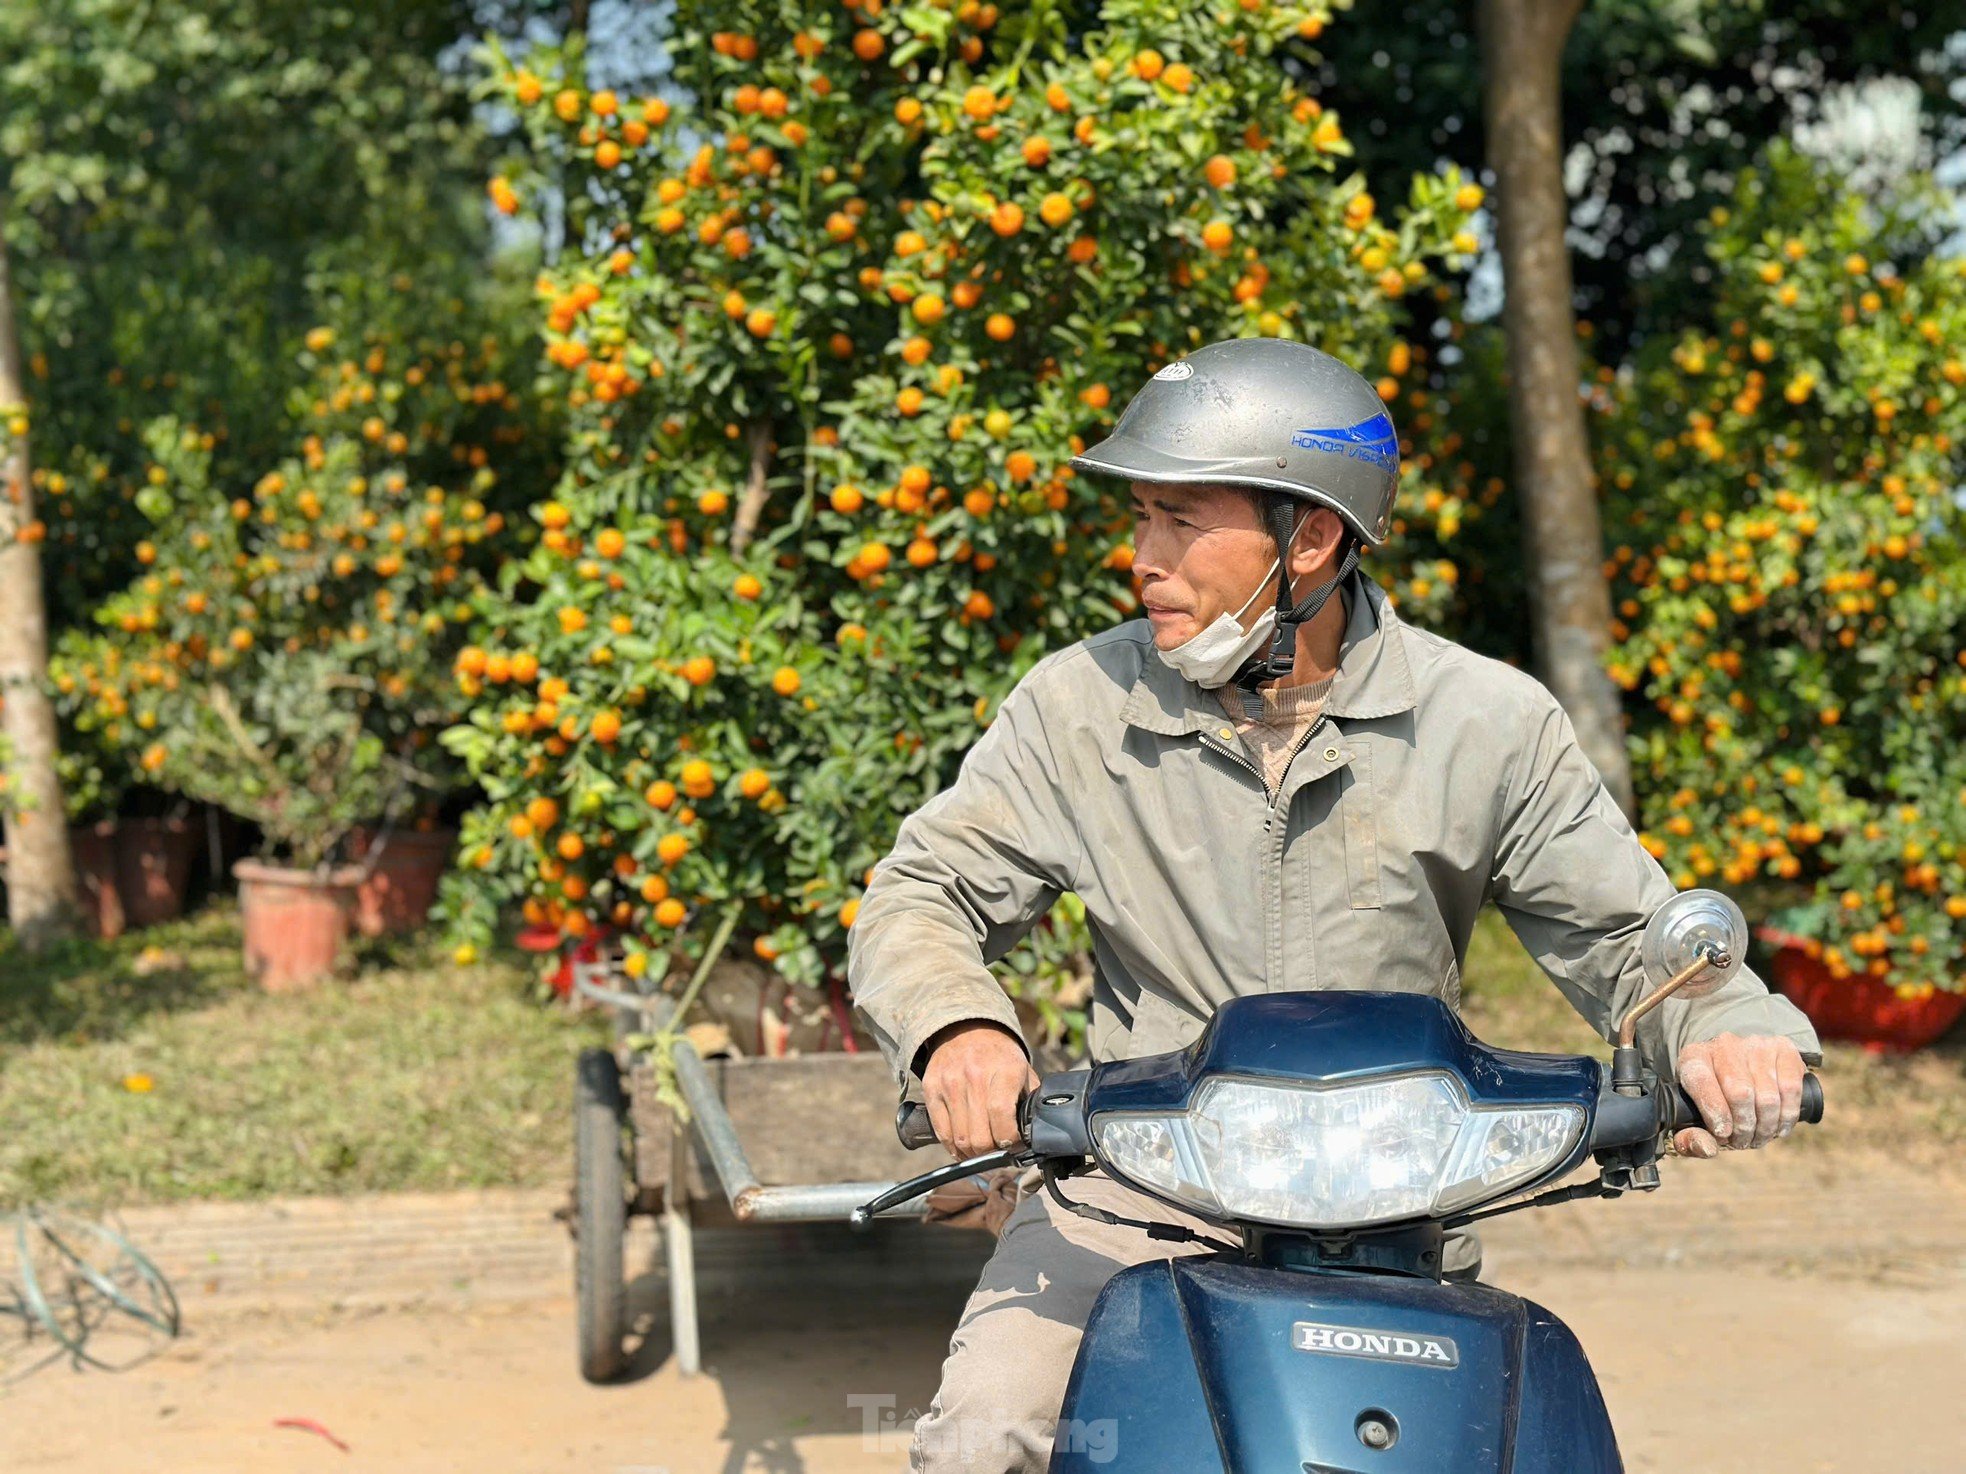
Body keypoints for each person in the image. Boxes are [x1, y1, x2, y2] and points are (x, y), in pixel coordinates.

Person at [845, 337, 1822, 1473]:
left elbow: (1625, 935)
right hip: (1129, 1192)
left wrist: (1727, 1030)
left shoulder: (1485, 723)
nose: (1141, 559)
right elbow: (925, 891)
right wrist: (958, 1027)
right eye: (1139, 518)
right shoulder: (1077, 706)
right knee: (983, 1437)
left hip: (1395, 1214)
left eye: (1179, 521)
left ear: (1309, 539)